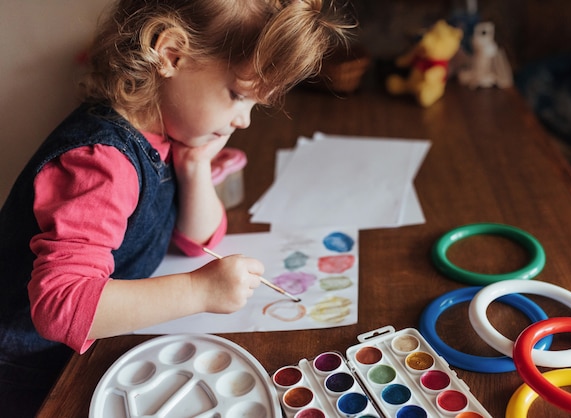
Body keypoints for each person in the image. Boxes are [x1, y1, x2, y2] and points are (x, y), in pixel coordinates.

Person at [0, 0, 353, 416]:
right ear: (171, 54)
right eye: (237, 96)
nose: (244, 122)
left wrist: (195, 166)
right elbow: (62, 307)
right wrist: (198, 290)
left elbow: (197, 241)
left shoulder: (165, 131)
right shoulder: (101, 165)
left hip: (90, 349)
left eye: (255, 105)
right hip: (33, 373)